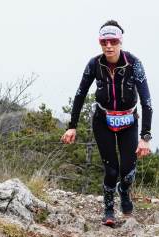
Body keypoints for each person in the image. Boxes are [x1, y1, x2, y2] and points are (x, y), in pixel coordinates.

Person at [61, 20, 153, 226]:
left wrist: (145, 137)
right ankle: (109, 209)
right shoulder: (94, 64)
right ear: (100, 42)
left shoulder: (134, 64)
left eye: (113, 41)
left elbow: (147, 102)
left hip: (129, 121)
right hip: (103, 120)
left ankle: (124, 191)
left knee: (128, 172)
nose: (108, 46)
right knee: (111, 170)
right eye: (104, 41)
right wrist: (72, 126)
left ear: (120, 41)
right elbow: (80, 93)